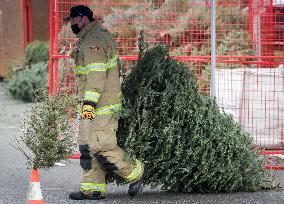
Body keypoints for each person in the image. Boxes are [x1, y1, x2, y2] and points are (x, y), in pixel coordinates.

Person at [63, 5, 145, 200]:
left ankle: (136, 171)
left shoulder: (93, 41)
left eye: (73, 20)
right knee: (88, 144)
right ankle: (93, 189)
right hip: (93, 103)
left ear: (82, 19)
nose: (71, 24)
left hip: (100, 105)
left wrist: (88, 105)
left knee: (102, 144)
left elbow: (96, 76)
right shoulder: (91, 37)